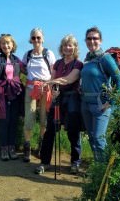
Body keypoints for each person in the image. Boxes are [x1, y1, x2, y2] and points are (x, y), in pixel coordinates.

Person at [35, 34, 83, 174]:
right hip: (58, 98)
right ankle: (45, 162)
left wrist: (50, 83)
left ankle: (75, 162)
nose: (67, 48)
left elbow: (69, 79)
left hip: (72, 99)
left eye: (70, 45)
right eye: (65, 45)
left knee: (73, 132)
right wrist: (53, 88)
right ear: (61, 48)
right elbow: (53, 78)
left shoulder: (78, 64)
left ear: (74, 48)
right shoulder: (57, 63)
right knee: (50, 130)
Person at [80, 26, 120, 162]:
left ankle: (103, 172)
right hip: (86, 104)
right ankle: (97, 168)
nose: (92, 41)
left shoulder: (105, 58)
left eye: (95, 38)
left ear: (101, 41)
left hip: (101, 105)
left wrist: (110, 102)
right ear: (85, 40)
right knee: (92, 138)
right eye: (89, 38)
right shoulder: (87, 59)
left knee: (99, 139)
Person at [21, 28, 56, 162]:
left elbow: (53, 71)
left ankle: (41, 146)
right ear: (30, 39)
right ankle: (27, 147)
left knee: (43, 120)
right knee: (29, 119)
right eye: (34, 37)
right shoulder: (28, 54)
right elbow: (23, 68)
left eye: (38, 37)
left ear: (43, 39)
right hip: (31, 88)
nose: (36, 40)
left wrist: (50, 86)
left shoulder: (48, 53)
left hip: (45, 88)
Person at [0, 34, 24, 161]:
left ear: (13, 45)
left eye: (8, 43)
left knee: (13, 121)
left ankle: (11, 148)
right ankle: (3, 148)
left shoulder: (17, 60)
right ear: (0, 46)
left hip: (15, 94)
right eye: (3, 43)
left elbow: (28, 71)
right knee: (4, 122)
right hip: (1, 95)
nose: (6, 45)